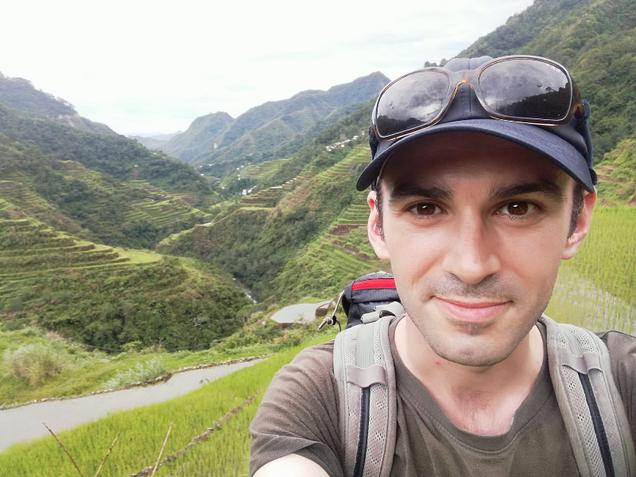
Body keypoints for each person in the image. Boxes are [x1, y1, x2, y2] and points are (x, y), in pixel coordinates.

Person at [249, 56, 636, 476]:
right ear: (378, 225)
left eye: (518, 208)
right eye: (426, 208)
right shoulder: (318, 399)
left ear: (577, 221)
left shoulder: (624, 380)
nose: (471, 266)